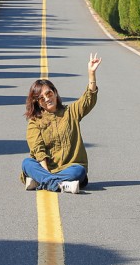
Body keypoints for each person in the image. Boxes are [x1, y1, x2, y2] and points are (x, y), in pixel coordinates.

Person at [21, 52, 101, 194]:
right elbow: (38, 150)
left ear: (55, 93)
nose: (47, 99)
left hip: (69, 168)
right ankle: (59, 184)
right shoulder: (34, 122)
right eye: (41, 98)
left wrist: (91, 74)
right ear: (37, 103)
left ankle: (41, 182)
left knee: (79, 170)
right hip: (45, 168)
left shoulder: (71, 112)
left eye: (49, 94)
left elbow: (88, 100)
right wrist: (47, 174)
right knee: (27, 163)